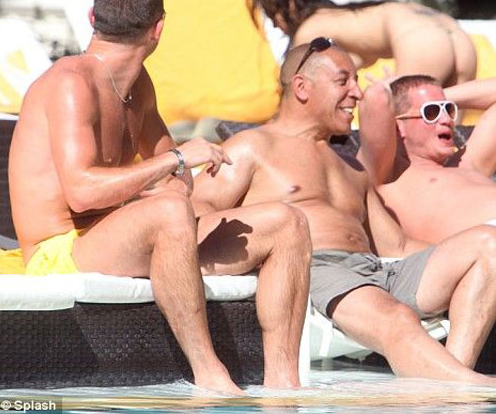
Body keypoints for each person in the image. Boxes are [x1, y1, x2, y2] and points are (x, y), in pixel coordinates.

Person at [8, 0, 312, 393]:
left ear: (93, 18)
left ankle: (285, 387)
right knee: (169, 212)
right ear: (159, 29)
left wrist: (170, 172)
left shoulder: (139, 85)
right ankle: (209, 373)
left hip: (121, 237)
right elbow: (82, 193)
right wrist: (173, 162)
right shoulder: (71, 83)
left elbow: (180, 182)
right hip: (58, 250)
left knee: (288, 223)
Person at [191, 37, 496, 385]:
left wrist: (456, 253)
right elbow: (197, 212)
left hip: (378, 270)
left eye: (357, 81)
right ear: (302, 87)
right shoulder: (253, 147)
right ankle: (474, 387)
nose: (357, 93)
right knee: (396, 317)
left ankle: (454, 379)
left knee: (489, 243)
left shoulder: (351, 166)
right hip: (319, 270)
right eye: (343, 81)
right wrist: (254, 251)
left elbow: (395, 246)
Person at [248, 0, 477, 87]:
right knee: (451, 143)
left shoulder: (310, 28)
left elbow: (295, 88)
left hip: (421, 39)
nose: (275, 26)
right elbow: (355, 63)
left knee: (405, 131)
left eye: (272, 13)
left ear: (289, 4)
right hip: (456, 33)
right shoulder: (344, 16)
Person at [357, 75, 495, 243]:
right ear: (397, 126)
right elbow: (375, 100)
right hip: (480, 248)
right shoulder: (387, 176)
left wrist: (438, 96)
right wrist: (394, 92)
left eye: (448, 109)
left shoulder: (466, 164)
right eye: (431, 112)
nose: (447, 120)